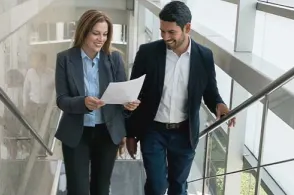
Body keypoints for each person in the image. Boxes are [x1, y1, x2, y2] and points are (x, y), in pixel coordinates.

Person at [124, 1, 236, 195]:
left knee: (178, 185)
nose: (165, 37)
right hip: (153, 131)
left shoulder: (204, 56)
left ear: (187, 28)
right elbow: (134, 94)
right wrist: (131, 134)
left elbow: (210, 91)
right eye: (162, 31)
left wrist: (220, 105)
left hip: (184, 133)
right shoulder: (147, 53)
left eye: (171, 32)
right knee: (157, 186)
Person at [54, 9, 141, 195]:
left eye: (105, 34)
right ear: (84, 31)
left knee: (101, 189)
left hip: (107, 134)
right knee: (78, 189)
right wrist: (83, 102)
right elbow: (61, 100)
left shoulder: (114, 58)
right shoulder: (65, 59)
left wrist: (128, 104)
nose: (101, 39)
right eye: (96, 33)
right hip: (77, 133)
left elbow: (122, 97)